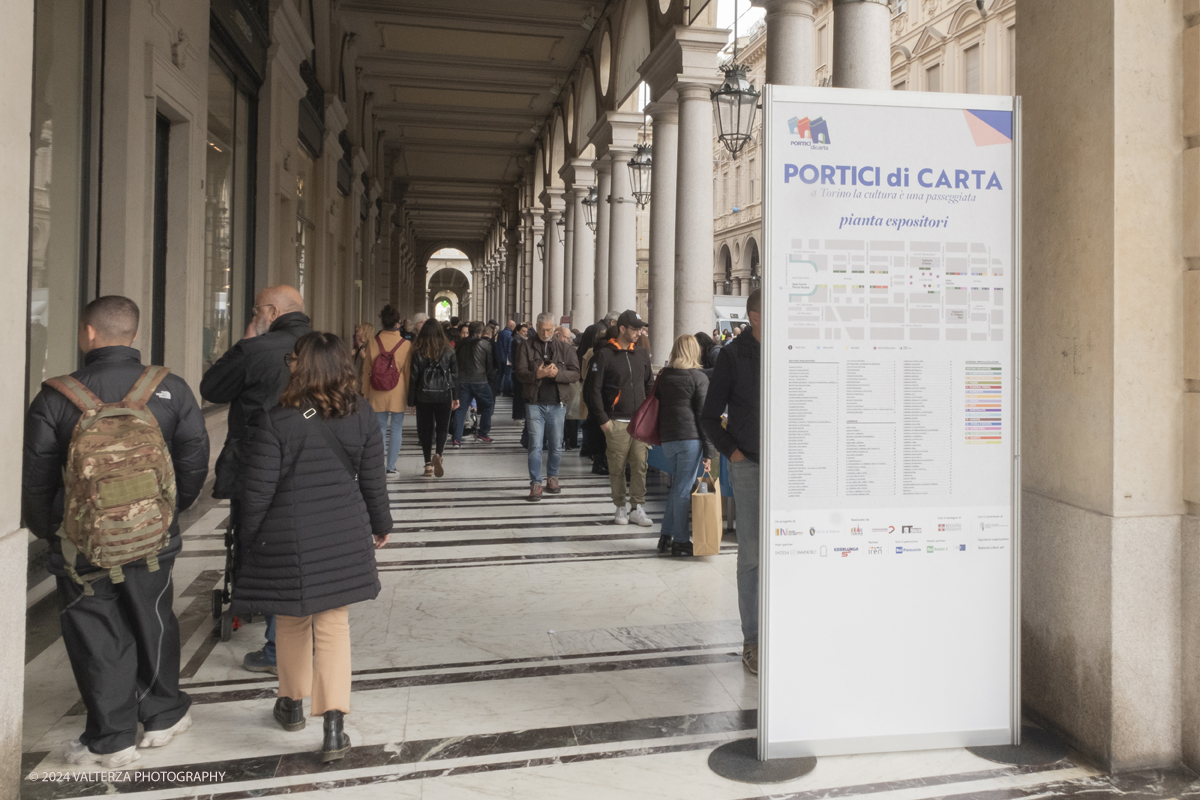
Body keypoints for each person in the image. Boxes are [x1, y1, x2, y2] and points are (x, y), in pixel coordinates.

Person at [23, 296, 209, 767]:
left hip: (80, 540)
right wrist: (167, 513)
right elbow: (192, 460)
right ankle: (165, 713)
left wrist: (51, 532)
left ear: (88, 334)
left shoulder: (55, 396)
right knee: (155, 616)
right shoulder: (171, 389)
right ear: (134, 335)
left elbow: (36, 479)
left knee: (96, 630)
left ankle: (112, 737)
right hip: (153, 534)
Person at [235, 332, 391, 762]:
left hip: (288, 538)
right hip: (343, 533)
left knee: (290, 621)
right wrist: (381, 525)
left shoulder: (277, 418)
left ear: (299, 367)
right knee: (334, 626)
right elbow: (373, 481)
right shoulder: (362, 414)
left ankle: (291, 704)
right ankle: (334, 724)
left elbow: (257, 494)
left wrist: (250, 540)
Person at [200, 284, 311, 675]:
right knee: (295, 542)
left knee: (258, 539)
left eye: (255, 309)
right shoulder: (325, 348)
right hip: (311, 462)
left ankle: (275, 643)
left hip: (255, 461)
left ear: (270, 310)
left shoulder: (257, 349)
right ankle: (291, 630)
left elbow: (211, 388)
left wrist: (249, 336)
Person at [701, 289, 761, 675]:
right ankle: (753, 639)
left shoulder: (793, 346)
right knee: (753, 556)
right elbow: (709, 416)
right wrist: (733, 453)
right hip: (751, 465)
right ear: (754, 315)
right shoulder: (732, 355)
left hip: (794, 469)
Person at [585, 310, 654, 526]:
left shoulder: (641, 354)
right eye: (635, 329)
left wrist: (649, 413)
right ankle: (620, 507)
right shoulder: (604, 355)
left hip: (639, 422)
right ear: (622, 329)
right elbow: (592, 390)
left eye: (640, 328)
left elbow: (649, 384)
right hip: (616, 421)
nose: (639, 332)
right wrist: (604, 420)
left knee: (640, 465)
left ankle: (637, 507)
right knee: (616, 467)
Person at [656, 335, 717, 557]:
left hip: (668, 439)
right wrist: (709, 451)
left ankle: (665, 535)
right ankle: (681, 540)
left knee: (678, 487)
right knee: (683, 490)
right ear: (695, 352)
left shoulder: (664, 377)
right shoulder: (698, 378)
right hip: (690, 439)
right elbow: (704, 416)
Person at [514, 312, 580, 502]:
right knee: (535, 444)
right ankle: (535, 482)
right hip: (535, 403)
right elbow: (519, 373)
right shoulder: (526, 346)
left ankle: (552, 477)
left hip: (557, 403)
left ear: (555, 328)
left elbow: (575, 374)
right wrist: (538, 374)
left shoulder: (565, 348)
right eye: (542, 329)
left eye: (549, 330)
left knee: (556, 444)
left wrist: (557, 374)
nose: (545, 333)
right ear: (536, 326)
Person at [361, 305, 412, 475]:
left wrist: (365, 393)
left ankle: (378, 466)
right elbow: (408, 372)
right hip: (398, 390)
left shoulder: (373, 342)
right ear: (398, 323)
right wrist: (410, 397)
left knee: (380, 429)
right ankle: (391, 467)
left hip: (376, 389)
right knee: (396, 428)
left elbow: (366, 369)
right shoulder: (406, 344)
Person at [409, 319, 459, 477]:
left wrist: (411, 401)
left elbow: (413, 378)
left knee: (426, 430)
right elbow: (455, 375)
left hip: (423, 395)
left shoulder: (418, 350)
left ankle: (427, 465)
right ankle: (438, 454)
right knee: (442, 428)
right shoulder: (449, 350)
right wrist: (455, 396)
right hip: (444, 394)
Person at [453, 321, 497, 446]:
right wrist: (485, 375)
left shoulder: (460, 342)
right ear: (480, 332)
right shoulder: (485, 344)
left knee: (461, 409)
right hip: (480, 380)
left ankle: (457, 439)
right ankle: (483, 433)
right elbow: (489, 364)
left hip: (462, 380)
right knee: (489, 404)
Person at [511, 322, 531, 420]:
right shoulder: (517, 341)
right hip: (517, 371)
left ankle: (519, 415)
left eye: (526, 331)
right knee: (518, 394)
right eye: (523, 331)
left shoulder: (521, 341)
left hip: (517, 369)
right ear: (518, 331)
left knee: (520, 394)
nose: (525, 333)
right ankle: (518, 415)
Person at [350, 323, 374, 393]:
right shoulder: (359, 346)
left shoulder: (370, 346)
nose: (358, 329)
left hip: (363, 383)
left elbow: (373, 364)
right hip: (357, 381)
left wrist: (364, 357)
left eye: (360, 328)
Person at [495, 320, 515, 397]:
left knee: (500, 374)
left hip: (500, 357)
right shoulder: (510, 334)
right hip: (507, 358)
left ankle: (498, 390)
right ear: (512, 326)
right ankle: (506, 391)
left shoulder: (500, 333)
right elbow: (510, 348)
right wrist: (511, 359)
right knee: (508, 375)